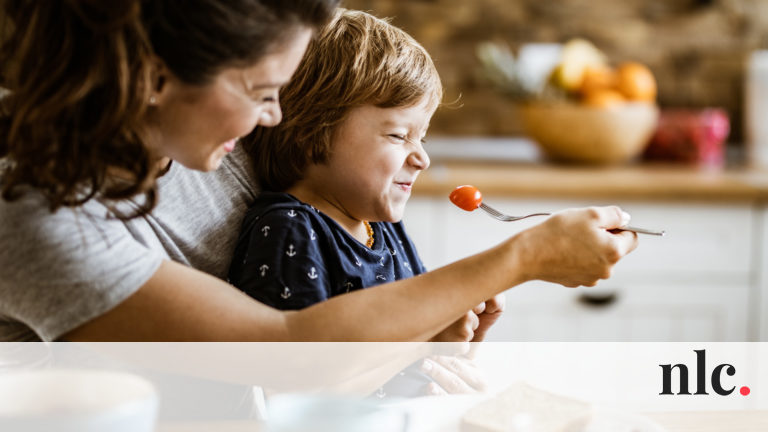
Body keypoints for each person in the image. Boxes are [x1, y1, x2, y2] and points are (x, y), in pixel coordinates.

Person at [0, 0, 638, 344]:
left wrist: (419, 335)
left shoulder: (224, 137)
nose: (276, 115)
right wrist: (522, 257)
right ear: (153, 77)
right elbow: (288, 346)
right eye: (260, 88)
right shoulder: (34, 215)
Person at [228, 9, 494, 342]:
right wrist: (423, 344)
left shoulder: (384, 228)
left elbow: (420, 339)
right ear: (312, 134)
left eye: (421, 137)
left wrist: (460, 334)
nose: (422, 159)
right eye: (398, 135)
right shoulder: (290, 231)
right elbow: (303, 377)